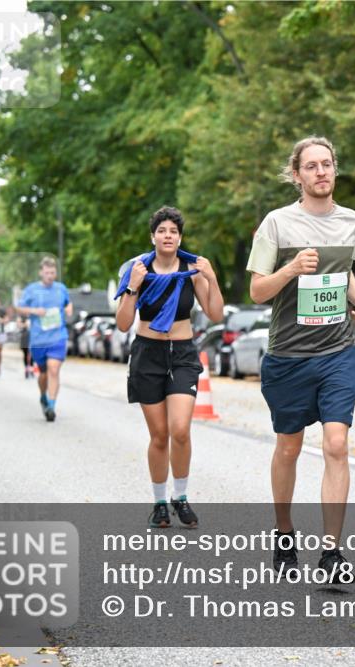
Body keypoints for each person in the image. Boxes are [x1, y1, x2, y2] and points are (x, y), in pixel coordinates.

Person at [247, 136, 355, 582]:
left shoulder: (351, 221)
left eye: (327, 164)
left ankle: (332, 553)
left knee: (337, 445)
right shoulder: (277, 224)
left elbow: (345, 271)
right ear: (297, 174)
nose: (321, 172)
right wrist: (290, 269)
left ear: (335, 170)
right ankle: (284, 534)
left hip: (338, 352)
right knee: (289, 447)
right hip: (288, 357)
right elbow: (258, 290)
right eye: (312, 166)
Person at [115, 206, 224, 529]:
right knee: (159, 435)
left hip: (183, 354)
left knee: (180, 429)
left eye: (173, 231)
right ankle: (160, 502)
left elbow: (215, 314)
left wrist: (212, 278)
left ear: (180, 237)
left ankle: (181, 495)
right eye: (162, 231)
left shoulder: (192, 270)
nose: (168, 236)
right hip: (147, 353)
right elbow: (122, 324)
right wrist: (133, 286)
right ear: (153, 237)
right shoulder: (138, 270)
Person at [16, 257, 72, 421]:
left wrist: (68, 309)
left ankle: (51, 407)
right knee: (43, 374)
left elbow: (68, 303)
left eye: (53, 272)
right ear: (41, 272)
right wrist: (33, 311)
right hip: (39, 340)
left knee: (53, 369)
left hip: (58, 337)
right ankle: (43, 396)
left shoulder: (61, 289)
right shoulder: (31, 290)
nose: (50, 275)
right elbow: (19, 308)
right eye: (47, 272)